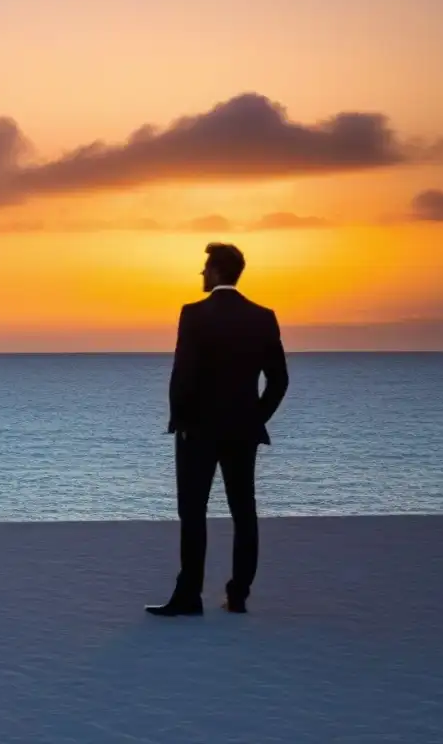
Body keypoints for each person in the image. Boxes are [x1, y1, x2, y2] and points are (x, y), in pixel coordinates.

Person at [146, 242, 289, 617]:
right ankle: (238, 594)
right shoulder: (263, 316)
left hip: (199, 431)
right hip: (243, 430)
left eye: (205, 268)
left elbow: (183, 375)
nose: (201, 274)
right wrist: (255, 418)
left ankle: (189, 595)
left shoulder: (194, 314)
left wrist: (179, 419)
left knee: (193, 511)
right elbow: (279, 380)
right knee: (244, 511)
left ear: (216, 271)